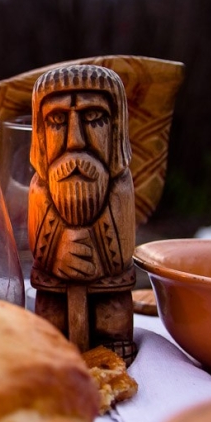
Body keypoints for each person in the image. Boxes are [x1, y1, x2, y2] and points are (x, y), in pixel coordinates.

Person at [28, 64, 136, 362]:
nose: (75, 139)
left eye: (93, 118)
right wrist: (57, 252)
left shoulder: (121, 187)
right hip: (56, 287)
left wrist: (97, 247)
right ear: (40, 133)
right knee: (50, 314)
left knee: (112, 315)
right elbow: (38, 248)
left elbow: (122, 254)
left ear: (116, 129)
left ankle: (114, 346)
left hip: (106, 287)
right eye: (57, 120)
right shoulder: (39, 187)